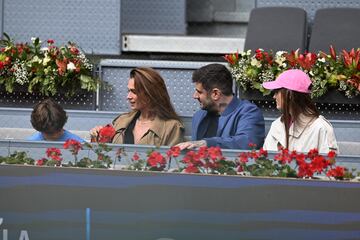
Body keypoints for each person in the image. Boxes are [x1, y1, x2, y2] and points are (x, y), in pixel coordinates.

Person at [176, 63, 265, 150]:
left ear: (215, 94)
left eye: (199, 92)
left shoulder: (249, 112)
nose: (194, 96)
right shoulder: (199, 116)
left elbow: (247, 143)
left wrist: (207, 143)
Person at [90, 67, 184, 146]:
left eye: (134, 92)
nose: (128, 97)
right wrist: (97, 136)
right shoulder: (121, 121)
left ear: (150, 93)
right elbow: (103, 155)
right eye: (129, 91)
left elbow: (173, 163)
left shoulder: (171, 127)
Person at [262, 69, 338, 153]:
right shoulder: (276, 125)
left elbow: (330, 164)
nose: (274, 96)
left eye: (277, 91)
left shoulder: (320, 127)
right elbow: (264, 161)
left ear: (290, 94)